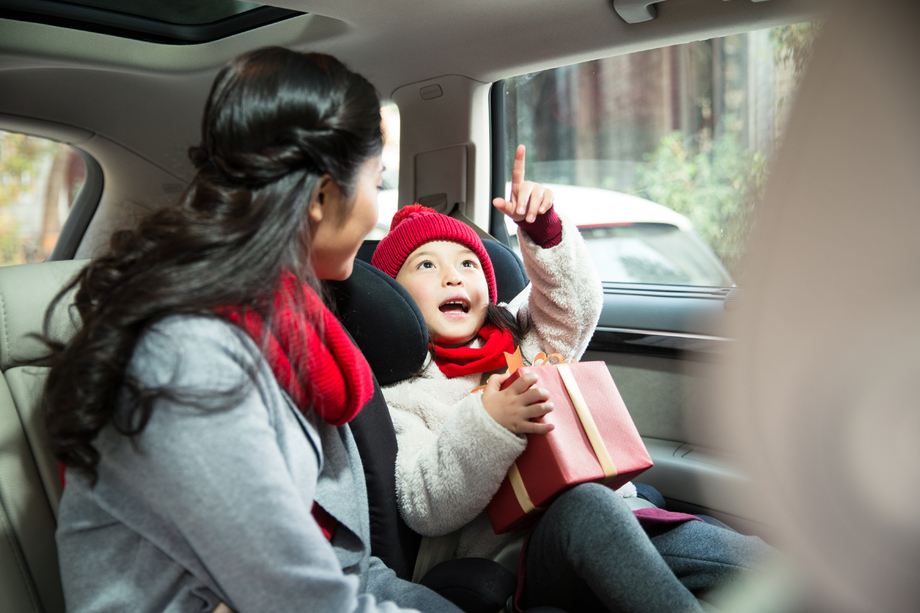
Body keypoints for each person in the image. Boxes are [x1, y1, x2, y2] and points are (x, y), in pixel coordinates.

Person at [41, 47, 463, 613]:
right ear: (319, 198)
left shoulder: (285, 324)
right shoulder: (190, 359)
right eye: (377, 184)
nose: (377, 212)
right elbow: (297, 599)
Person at [370, 145, 778, 612]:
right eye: (426, 265)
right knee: (590, 507)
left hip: (619, 514)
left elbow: (576, 306)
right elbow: (424, 503)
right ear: (394, 299)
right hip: (519, 558)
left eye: (467, 264)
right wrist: (489, 421)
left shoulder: (517, 336)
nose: (453, 278)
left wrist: (543, 233)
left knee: (745, 559)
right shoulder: (403, 394)